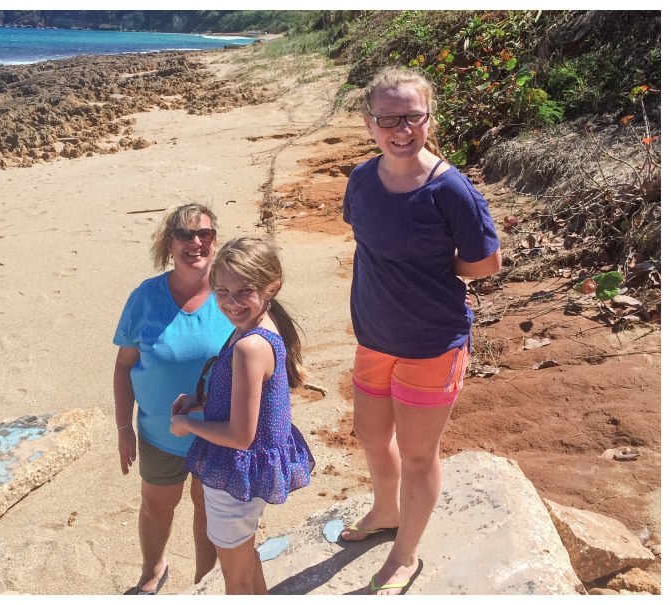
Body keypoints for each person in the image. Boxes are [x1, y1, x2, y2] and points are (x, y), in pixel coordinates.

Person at [340, 67, 502, 595]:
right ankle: (385, 511)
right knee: (369, 434)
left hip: (432, 341)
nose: (401, 128)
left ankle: (404, 555)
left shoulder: (450, 189)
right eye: (388, 118)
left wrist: (431, 271)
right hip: (374, 333)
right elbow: (370, 241)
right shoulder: (362, 178)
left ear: (429, 117)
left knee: (416, 454)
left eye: (412, 116)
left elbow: (486, 263)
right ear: (370, 123)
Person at [169, 236, 313, 595]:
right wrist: (201, 400)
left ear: (271, 288)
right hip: (251, 469)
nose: (231, 302)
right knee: (245, 557)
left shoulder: (249, 346)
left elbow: (239, 436)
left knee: (235, 579)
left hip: (238, 470)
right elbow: (252, 396)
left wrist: (188, 425)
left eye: (243, 291)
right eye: (222, 291)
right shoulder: (259, 327)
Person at [112, 203, 234, 595]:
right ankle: (152, 570)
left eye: (205, 235)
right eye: (185, 235)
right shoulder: (144, 298)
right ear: (169, 244)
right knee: (156, 506)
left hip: (215, 432)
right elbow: (123, 366)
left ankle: (203, 582)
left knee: (208, 510)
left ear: (216, 241)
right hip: (157, 434)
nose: (196, 243)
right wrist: (123, 428)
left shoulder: (232, 294)